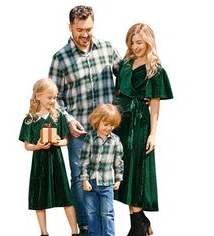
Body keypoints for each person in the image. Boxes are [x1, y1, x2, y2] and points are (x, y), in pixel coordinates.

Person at [48, 5, 122, 235]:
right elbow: (53, 97)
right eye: (79, 29)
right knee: (81, 181)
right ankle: (86, 228)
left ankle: (106, 229)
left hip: (107, 132)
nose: (84, 34)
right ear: (70, 27)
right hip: (79, 131)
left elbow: (126, 78)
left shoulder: (108, 49)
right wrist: (68, 120)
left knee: (107, 179)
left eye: (88, 29)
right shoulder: (60, 58)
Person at [114, 23, 173, 236]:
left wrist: (153, 134)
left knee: (137, 171)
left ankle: (138, 226)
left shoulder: (154, 69)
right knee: (123, 170)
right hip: (121, 122)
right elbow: (118, 91)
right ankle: (140, 221)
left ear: (148, 41)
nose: (135, 46)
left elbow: (156, 104)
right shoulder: (126, 63)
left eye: (139, 42)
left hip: (139, 124)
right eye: (132, 42)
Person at [18, 78, 79, 236]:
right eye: (49, 97)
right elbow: (26, 145)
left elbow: (66, 139)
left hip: (56, 161)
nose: (53, 101)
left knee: (66, 197)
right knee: (39, 198)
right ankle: (44, 232)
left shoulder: (58, 116)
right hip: (40, 164)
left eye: (55, 97)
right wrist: (37, 146)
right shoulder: (30, 119)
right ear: (38, 96)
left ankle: (75, 231)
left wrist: (60, 142)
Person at [79, 104, 124, 236]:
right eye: (105, 124)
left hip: (107, 184)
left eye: (112, 125)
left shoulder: (116, 141)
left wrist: (118, 179)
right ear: (97, 122)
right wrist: (84, 179)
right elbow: (84, 160)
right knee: (92, 213)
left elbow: (119, 162)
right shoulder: (90, 138)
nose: (108, 128)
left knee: (107, 213)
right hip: (91, 183)